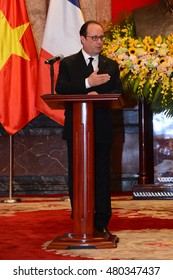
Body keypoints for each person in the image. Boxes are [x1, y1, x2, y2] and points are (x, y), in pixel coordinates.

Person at [56, 20, 123, 234]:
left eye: (102, 37)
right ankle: (80, 219)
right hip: (76, 130)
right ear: (82, 39)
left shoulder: (110, 65)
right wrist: (88, 84)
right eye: (95, 38)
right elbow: (61, 89)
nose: (100, 42)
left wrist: (99, 95)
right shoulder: (68, 64)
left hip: (102, 129)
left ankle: (102, 222)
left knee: (102, 176)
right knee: (77, 175)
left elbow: (117, 92)